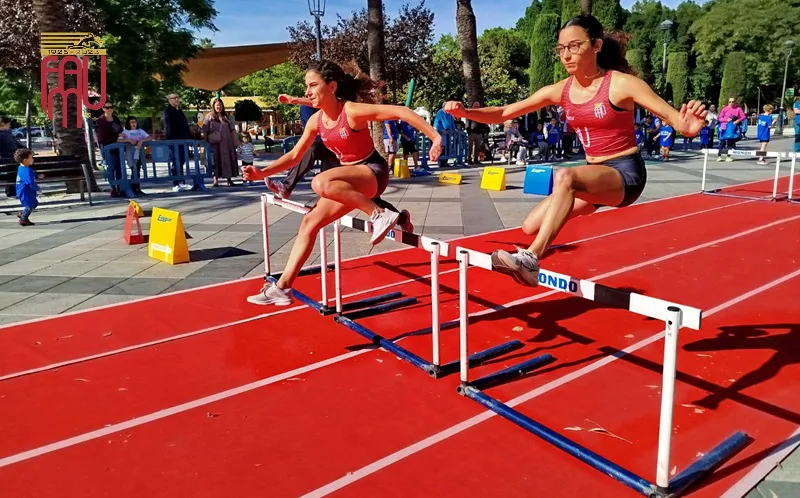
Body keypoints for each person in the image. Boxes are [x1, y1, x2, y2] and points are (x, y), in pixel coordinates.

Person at [443, 14, 706, 287]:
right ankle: (549, 229)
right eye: (561, 48)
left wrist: (687, 127)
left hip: (625, 174)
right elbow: (506, 112)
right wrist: (466, 112)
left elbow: (675, 120)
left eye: (574, 46)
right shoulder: (561, 90)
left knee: (566, 178)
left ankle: (531, 259)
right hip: (594, 177)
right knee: (530, 226)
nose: (566, 55)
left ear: (596, 46)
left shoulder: (621, 84)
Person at [243, 60, 442, 306]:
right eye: (306, 86)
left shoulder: (352, 111)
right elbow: (294, 156)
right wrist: (261, 173)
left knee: (320, 182)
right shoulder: (315, 121)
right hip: (350, 178)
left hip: (373, 172)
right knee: (309, 222)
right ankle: (282, 288)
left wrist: (435, 137)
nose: (307, 92)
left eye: (313, 85)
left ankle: (378, 213)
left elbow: (401, 111)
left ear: (332, 86)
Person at [15, 148, 40, 226]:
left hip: (24, 190)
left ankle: (22, 213)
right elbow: (30, 182)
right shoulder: (27, 170)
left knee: (34, 203)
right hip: (25, 191)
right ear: (25, 160)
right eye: (31, 158)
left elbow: (29, 176)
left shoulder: (22, 167)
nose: (33, 159)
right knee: (29, 205)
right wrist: (37, 188)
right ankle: (23, 219)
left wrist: (37, 176)